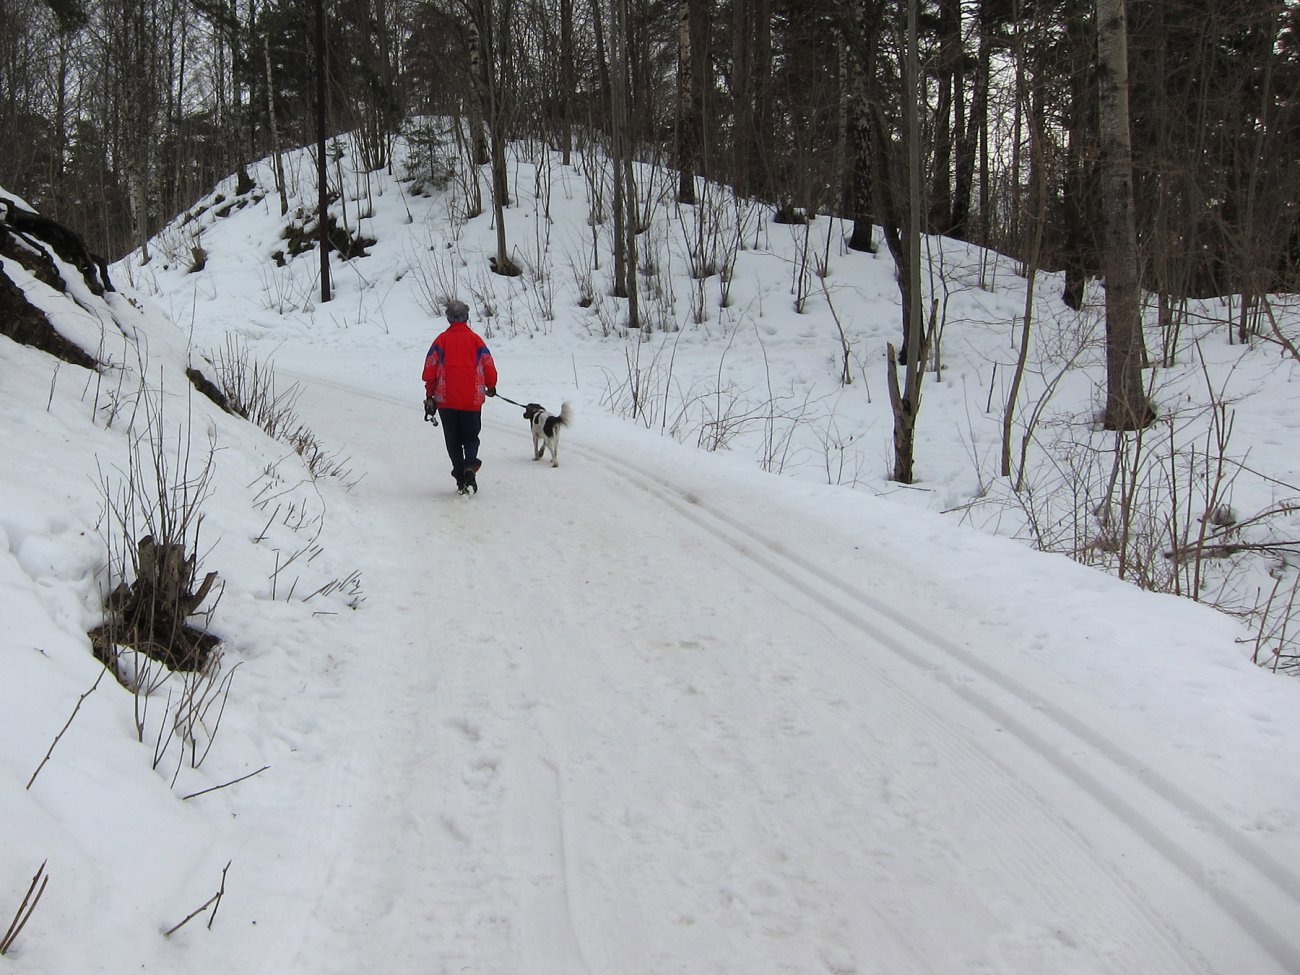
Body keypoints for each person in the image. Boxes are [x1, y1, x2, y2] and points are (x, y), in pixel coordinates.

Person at [422, 299, 498, 494]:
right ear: (466, 317)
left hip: (446, 400)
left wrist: (430, 394)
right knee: (471, 437)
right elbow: (488, 364)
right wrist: (491, 385)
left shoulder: (441, 341)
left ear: (449, 319)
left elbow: (430, 369)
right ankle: (470, 466)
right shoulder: (476, 341)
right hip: (472, 400)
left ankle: (460, 479)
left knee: (453, 441)